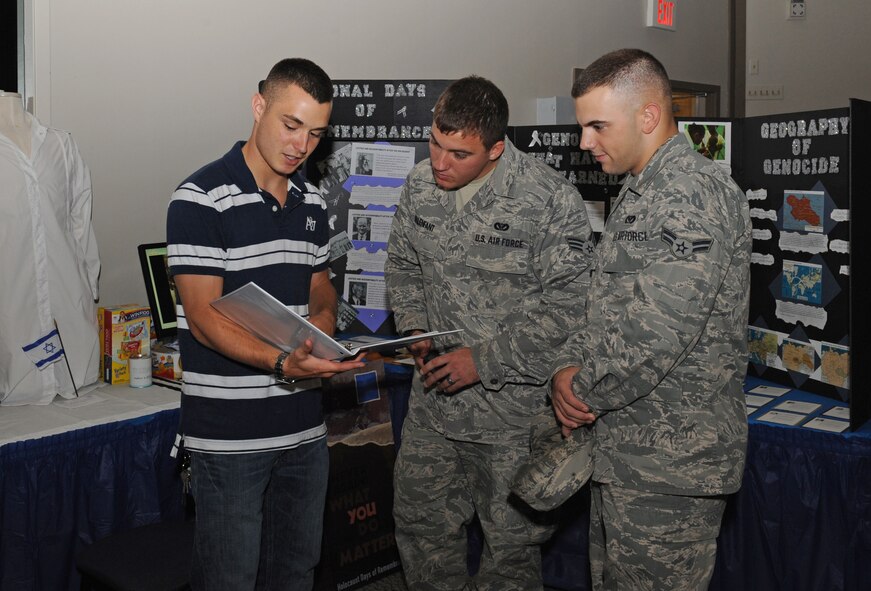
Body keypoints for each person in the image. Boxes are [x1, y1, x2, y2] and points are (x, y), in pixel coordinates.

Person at [550, 49, 751, 590]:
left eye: (597, 126)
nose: (585, 142)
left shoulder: (690, 193)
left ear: (648, 116)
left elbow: (658, 332)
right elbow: (611, 309)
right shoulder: (643, 191)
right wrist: (571, 369)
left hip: (671, 464)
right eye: (582, 127)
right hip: (630, 452)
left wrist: (580, 389)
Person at [385, 75, 594, 590]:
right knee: (421, 533)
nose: (439, 162)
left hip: (512, 421)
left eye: (458, 153)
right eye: (434, 143)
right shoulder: (418, 187)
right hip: (433, 410)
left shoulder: (548, 200)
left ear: (496, 147)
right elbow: (403, 266)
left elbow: (570, 310)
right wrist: (413, 324)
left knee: (510, 556)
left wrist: (483, 360)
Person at [166, 58, 364, 590]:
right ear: (259, 107)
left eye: (316, 134)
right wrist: (283, 361)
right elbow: (204, 317)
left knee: (295, 572)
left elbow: (319, 282)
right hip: (229, 438)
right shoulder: (200, 197)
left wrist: (319, 328)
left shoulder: (313, 199)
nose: (301, 145)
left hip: (303, 429)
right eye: (291, 125)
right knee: (229, 579)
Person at [1, 90, 101, 406]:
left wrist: (89, 287)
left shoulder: (61, 144)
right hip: (13, 319)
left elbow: (80, 223)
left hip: (71, 325)